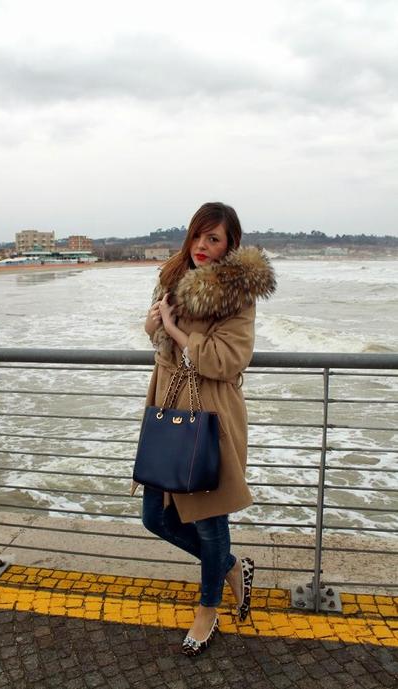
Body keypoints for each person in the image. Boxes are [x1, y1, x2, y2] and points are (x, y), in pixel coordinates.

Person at [136, 201, 276, 655]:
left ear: (230, 245)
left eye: (213, 239)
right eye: (198, 235)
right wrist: (154, 324)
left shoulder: (238, 294)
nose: (201, 245)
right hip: (166, 403)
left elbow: (225, 359)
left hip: (210, 412)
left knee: (211, 520)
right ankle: (232, 567)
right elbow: (156, 333)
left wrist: (175, 331)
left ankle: (208, 608)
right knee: (154, 516)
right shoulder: (172, 275)